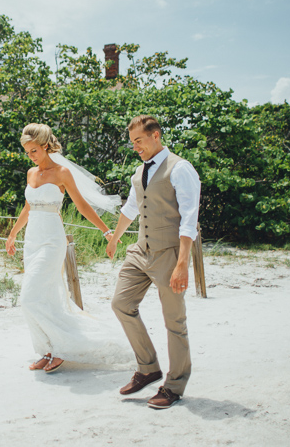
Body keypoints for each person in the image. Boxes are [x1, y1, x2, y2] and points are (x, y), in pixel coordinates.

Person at [6, 123, 130, 373]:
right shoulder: (31, 173)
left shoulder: (62, 172)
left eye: (34, 151)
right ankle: (48, 350)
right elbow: (28, 208)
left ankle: (60, 350)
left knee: (29, 297)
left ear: (46, 146)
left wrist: (106, 231)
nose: (31, 156)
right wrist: (12, 234)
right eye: (27, 152)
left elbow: (82, 205)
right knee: (46, 296)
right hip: (32, 240)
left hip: (52, 239)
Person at [106, 114, 201, 409]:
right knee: (121, 304)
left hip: (170, 253)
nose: (135, 146)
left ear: (156, 135)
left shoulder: (180, 169)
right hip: (141, 249)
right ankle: (148, 368)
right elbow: (132, 206)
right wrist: (115, 237)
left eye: (139, 140)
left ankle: (174, 385)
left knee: (175, 321)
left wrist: (182, 262)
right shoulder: (139, 171)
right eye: (132, 142)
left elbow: (189, 218)